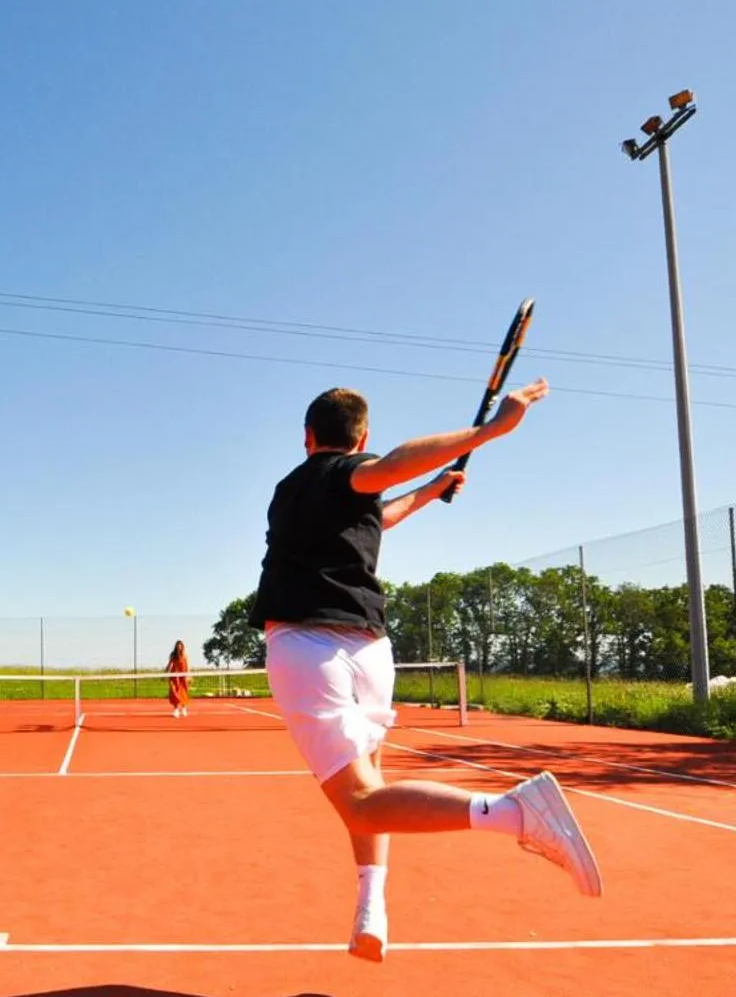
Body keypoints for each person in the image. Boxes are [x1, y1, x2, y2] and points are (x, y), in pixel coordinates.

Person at [247, 381, 602, 962]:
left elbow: (383, 475)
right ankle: (372, 906)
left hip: (310, 646)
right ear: (361, 436)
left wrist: (481, 440)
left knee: (361, 800)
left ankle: (514, 813)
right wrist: (438, 483)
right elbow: (377, 510)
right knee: (372, 786)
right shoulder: (344, 485)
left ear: (308, 437)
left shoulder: (299, 484)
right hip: (369, 650)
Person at [165, 639, 192, 718]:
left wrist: (189, 676)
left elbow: (187, 666)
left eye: (181, 646)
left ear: (182, 647)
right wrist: (166, 671)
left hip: (183, 677)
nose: (179, 647)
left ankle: (184, 708)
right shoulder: (173, 655)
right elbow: (170, 664)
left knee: (183, 693)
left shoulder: (185, 655)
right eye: (178, 646)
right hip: (174, 677)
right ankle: (176, 709)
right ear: (176, 647)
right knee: (174, 693)